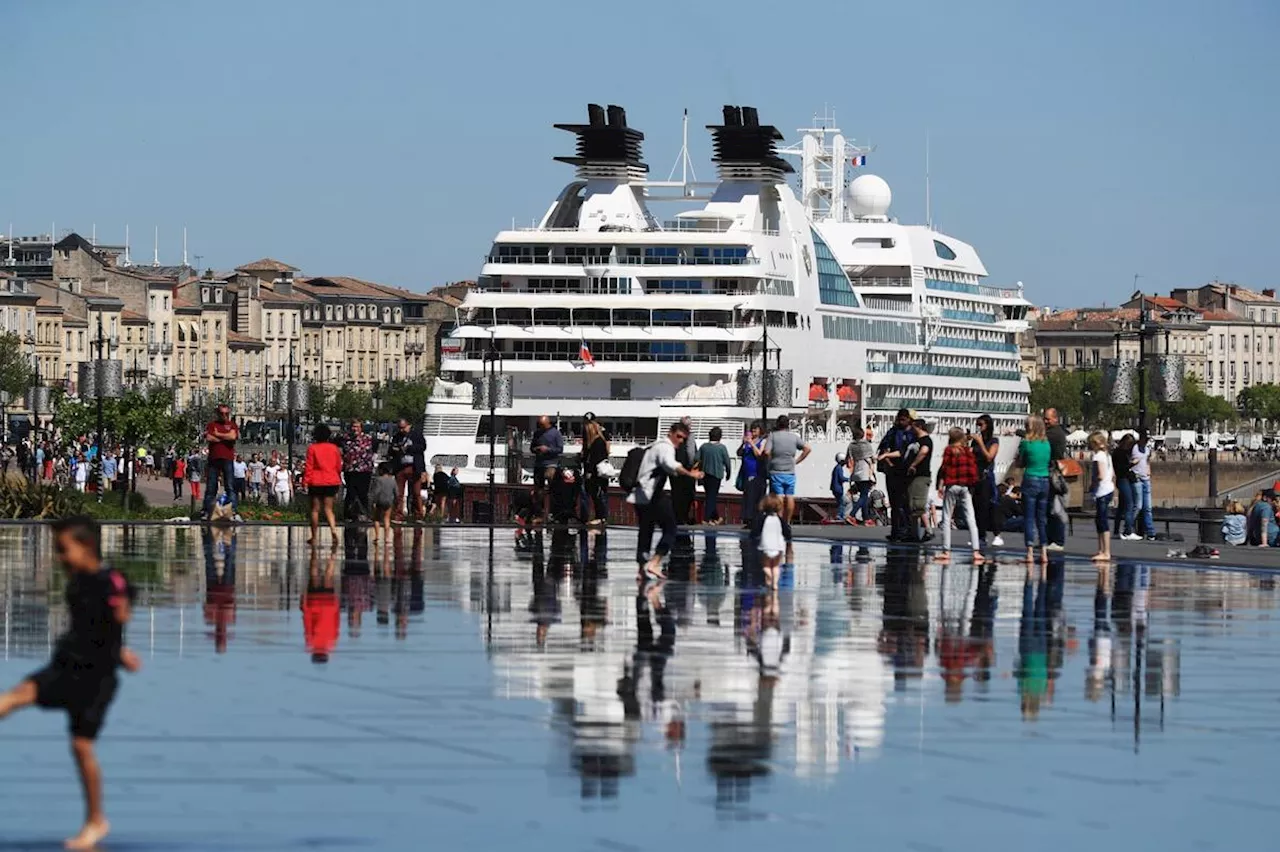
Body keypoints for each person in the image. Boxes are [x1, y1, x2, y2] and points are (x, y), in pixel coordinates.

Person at [0, 516, 141, 850]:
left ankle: (96, 820)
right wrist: (119, 649)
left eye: (64, 550)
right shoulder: (76, 581)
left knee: (81, 747)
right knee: (11, 699)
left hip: (96, 678)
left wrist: (120, 632)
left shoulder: (109, 581)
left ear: (87, 546)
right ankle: (94, 820)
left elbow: (121, 604)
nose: (60, 557)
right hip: (66, 665)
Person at [626, 421, 703, 580]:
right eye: (679, 437)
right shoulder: (666, 447)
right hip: (652, 494)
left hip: (640, 494)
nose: (680, 441)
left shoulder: (656, 445)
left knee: (646, 530)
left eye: (683, 439)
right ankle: (654, 562)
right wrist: (690, 474)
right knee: (671, 528)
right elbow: (671, 464)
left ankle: (641, 569)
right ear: (671, 433)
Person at [937, 427, 982, 563]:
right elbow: (973, 469)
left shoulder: (949, 450)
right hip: (965, 486)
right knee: (971, 518)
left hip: (952, 485)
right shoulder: (967, 451)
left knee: (946, 517)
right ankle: (976, 551)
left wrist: (940, 485)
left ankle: (946, 551)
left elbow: (944, 468)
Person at [763, 414, 810, 528]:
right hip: (790, 471)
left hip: (776, 470)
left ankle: (779, 521)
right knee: (789, 496)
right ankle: (787, 522)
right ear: (788, 425)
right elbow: (807, 448)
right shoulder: (793, 437)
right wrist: (796, 461)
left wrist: (770, 461)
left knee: (778, 496)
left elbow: (766, 452)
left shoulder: (773, 436)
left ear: (777, 424)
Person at [1017, 414, 1052, 565]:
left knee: (1029, 518)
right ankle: (1044, 551)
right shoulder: (1046, 444)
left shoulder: (1026, 443)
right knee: (1041, 518)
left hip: (1030, 478)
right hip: (1045, 480)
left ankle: (1030, 552)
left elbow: (1020, 462)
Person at [876, 409, 915, 541]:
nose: (900, 421)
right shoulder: (893, 431)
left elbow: (908, 451)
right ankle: (896, 531)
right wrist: (889, 462)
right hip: (893, 471)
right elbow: (883, 448)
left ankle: (907, 531)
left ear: (909, 419)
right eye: (899, 419)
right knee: (895, 503)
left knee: (905, 503)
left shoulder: (911, 433)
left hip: (905, 471)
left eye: (903, 419)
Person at [201, 404, 241, 523]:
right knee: (211, 487)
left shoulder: (232, 425)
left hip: (227, 458)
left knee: (230, 486)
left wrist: (217, 435)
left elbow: (233, 436)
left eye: (226, 414)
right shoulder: (212, 425)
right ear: (218, 414)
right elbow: (209, 437)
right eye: (222, 413)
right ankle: (207, 511)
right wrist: (225, 437)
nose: (224, 416)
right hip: (214, 458)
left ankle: (233, 511)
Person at [303, 424, 343, 545]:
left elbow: (309, 467)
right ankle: (333, 530)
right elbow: (338, 466)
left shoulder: (312, 448)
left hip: (316, 481)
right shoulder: (334, 448)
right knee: (329, 509)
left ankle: (314, 536)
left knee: (315, 510)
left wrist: (305, 481)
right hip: (331, 480)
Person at [971, 415, 1005, 547]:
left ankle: (995, 534)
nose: (979, 427)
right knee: (976, 507)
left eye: (981, 424)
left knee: (987, 506)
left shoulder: (993, 441)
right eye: (977, 424)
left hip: (986, 477)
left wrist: (980, 443)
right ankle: (980, 535)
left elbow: (989, 457)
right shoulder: (975, 441)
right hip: (976, 476)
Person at [389, 418, 426, 522]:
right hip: (400, 467)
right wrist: (395, 449)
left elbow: (422, 447)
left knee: (416, 492)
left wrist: (409, 448)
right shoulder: (397, 437)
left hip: (414, 466)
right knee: (399, 493)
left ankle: (418, 515)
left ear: (409, 426)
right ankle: (398, 515)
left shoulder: (416, 435)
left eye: (403, 428)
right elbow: (391, 450)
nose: (401, 430)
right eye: (399, 428)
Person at [904, 419, 934, 541]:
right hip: (913, 477)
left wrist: (913, 464)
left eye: (913, 427)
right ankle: (913, 533)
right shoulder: (915, 440)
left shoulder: (926, 440)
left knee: (918, 505)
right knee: (912, 506)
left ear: (919, 427)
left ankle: (928, 530)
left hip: (921, 476)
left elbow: (923, 452)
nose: (911, 429)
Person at [1087, 431, 1115, 562]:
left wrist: (1092, 485)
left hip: (1102, 491)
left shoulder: (1098, 456)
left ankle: (1106, 551)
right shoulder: (1107, 456)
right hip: (1108, 489)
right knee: (1100, 520)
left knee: (1102, 521)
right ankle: (1102, 550)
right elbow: (1112, 474)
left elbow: (1100, 475)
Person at [1043, 407, 1068, 551]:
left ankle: (1058, 540)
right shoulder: (1054, 432)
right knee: (1050, 507)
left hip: (1055, 474)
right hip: (1052, 472)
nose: (1045, 421)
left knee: (1055, 506)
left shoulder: (1055, 433)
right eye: (1044, 418)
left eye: (1048, 419)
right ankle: (1052, 539)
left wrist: (1018, 432)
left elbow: (1038, 437)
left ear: (1055, 419)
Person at [341, 419, 375, 522]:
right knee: (350, 493)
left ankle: (365, 514)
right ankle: (348, 515)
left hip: (364, 470)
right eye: (353, 426)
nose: (355, 429)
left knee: (363, 493)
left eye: (357, 427)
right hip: (350, 469)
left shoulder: (368, 439)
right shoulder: (345, 439)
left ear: (361, 428)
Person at [531, 414, 563, 519]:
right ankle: (539, 513)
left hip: (551, 464)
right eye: (539, 425)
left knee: (552, 489)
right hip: (539, 464)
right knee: (538, 490)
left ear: (547, 423)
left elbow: (560, 449)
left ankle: (553, 513)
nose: (541, 427)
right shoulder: (537, 433)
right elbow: (532, 448)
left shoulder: (556, 433)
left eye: (542, 425)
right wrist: (537, 449)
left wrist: (548, 449)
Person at [697, 426, 731, 526]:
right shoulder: (721, 448)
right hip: (716, 475)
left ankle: (716, 517)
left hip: (704, 475)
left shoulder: (704, 447)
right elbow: (727, 462)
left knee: (709, 496)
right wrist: (728, 473)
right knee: (711, 497)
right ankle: (706, 519)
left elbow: (696, 458)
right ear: (720, 437)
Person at [582, 419, 611, 527]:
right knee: (598, 495)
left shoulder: (597, 442)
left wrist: (589, 471)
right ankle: (600, 517)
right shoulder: (599, 441)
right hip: (598, 473)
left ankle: (601, 517)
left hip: (597, 474)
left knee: (599, 495)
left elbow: (595, 459)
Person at [738, 423, 766, 528]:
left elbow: (759, 454)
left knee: (754, 497)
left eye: (756, 429)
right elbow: (739, 453)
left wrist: (752, 444)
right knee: (747, 496)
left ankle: (754, 520)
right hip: (746, 472)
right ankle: (748, 519)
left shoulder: (762, 441)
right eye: (752, 429)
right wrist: (743, 443)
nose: (753, 431)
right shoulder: (747, 441)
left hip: (755, 472)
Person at [1112, 434, 1138, 540]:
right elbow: (1121, 469)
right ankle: (1128, 531)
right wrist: (1132, 464)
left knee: (1122, 507)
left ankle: (1116, 530)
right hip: (1123, 479)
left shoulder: (1123, 452)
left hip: (1124, 479)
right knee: (1129, 505)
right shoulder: (1119, 453)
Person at [758, 494, 787, 588]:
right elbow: (786, 530)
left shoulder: (762, 519)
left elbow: (756, 530)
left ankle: (769, 576)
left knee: (766, 566)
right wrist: (788, 537)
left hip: (766, 545)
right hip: (778, 545)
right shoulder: (780, 519)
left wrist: (753, 536)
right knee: (775, 566)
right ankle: (775, 584)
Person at [1131, 430, 1155, 540]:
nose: (1145, 442)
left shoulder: (1147, 449)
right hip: (1137, 478)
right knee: (1138, 506)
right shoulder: (1134, 448)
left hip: (1146, 478)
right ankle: (1129, 528)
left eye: (1147, 440)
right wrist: (1133, 463)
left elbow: (1147, 461)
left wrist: (1148, 470)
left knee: (1148, 508)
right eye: (1145, 439)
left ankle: (1150, 532)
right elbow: (1129, 460)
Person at [848, 427, 875, 524]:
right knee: (864, 496)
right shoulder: (866, 444)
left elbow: (849, 458)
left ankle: (866, 518)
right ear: (862, 434)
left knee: (864, 496)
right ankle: (851, 515)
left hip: (856, 473)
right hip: (865, 473)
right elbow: (873, 458)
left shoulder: (851, 445)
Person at [369, 462, 398, 546]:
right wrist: (396, 501)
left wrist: (373, 501)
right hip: (389, 501)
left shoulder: (378, 480)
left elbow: (376, 491)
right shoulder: (393, 480)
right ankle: (387, 537)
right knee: (387, 518)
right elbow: (396, 492)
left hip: (380, 500)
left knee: (377, 518)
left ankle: (377, 536)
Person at [830, 452, 851, 523]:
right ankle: (840, 516)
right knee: (842, 503)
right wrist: (849, 479)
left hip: (835, 488)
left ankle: (840, 515)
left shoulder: (836, 468)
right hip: (838, 488)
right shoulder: (839, 468)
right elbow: (841, 478)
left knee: (840, 502)